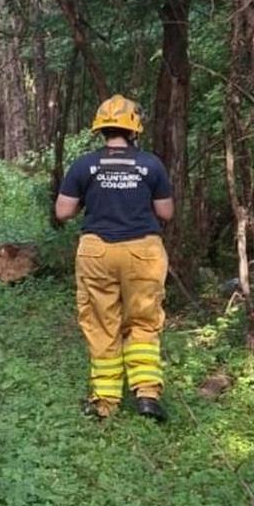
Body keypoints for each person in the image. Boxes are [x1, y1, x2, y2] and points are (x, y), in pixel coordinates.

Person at [54, 95, 174, 422]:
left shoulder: (84, 165)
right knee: (144, 321)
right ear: (134, 129)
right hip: (143, 251)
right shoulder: (151, 164)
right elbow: (166, 212)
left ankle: (105, 402)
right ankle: (147, 394)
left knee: (101, 322)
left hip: (97, 252)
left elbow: (63, 212)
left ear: (101, 129)